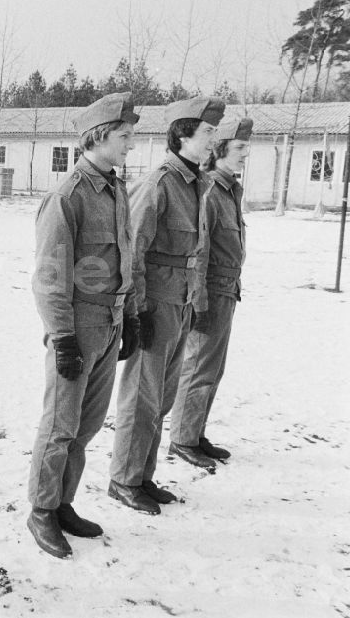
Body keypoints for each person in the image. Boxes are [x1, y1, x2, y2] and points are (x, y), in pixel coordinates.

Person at [28, 93, 139, 558]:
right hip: (77, 328)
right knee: (60, 426)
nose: (131, 144)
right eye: (125, 136)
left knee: (88, 426)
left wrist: (129, 315)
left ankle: (63, 503)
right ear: (98, 136)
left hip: (109, 323)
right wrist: (64, 337)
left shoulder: (115, 189)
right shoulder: (67, 197)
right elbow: (49, 278)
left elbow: (126, 258)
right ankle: (40, 510)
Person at [109, 96, 224, 515]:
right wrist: (137, 311)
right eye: (208, 132)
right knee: (141, 395)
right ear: (182, 135)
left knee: (163, 396)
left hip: (181, 301)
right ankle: (123, 479)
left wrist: (195, 297)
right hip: (154, 303)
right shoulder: (160, 183)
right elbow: (133, 252)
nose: (215, 140)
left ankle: (142, 474)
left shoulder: (195, 183)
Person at [168, 118, 253, 465]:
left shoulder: (229, 189)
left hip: (226, 290)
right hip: (209, 292)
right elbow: (199, 250)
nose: (246, 155)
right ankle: (183, 440)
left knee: (213, 369)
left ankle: (196, 432)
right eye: (240, 148)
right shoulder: (210, 192)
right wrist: (198, 300)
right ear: (219, 151)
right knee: (199, 367)